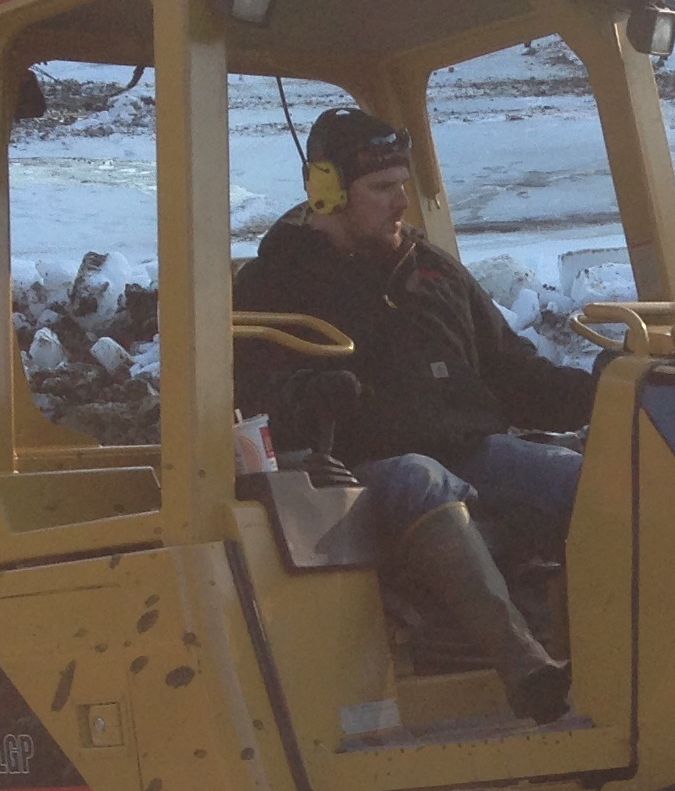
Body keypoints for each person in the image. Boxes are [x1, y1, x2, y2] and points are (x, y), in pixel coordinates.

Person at [234, 106, 593, 724]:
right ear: (327, 192)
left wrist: (602, 389)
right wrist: (307, 395)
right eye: (381, 188)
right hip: (349, 474)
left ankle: (627, 653)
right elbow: (245, 393)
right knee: (421, 476)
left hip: (471, 452)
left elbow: (513, 371)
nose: (402, 202)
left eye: (403, 183)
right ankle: (528, 671)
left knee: (580, 476)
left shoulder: (433, 274)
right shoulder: (276, 283)